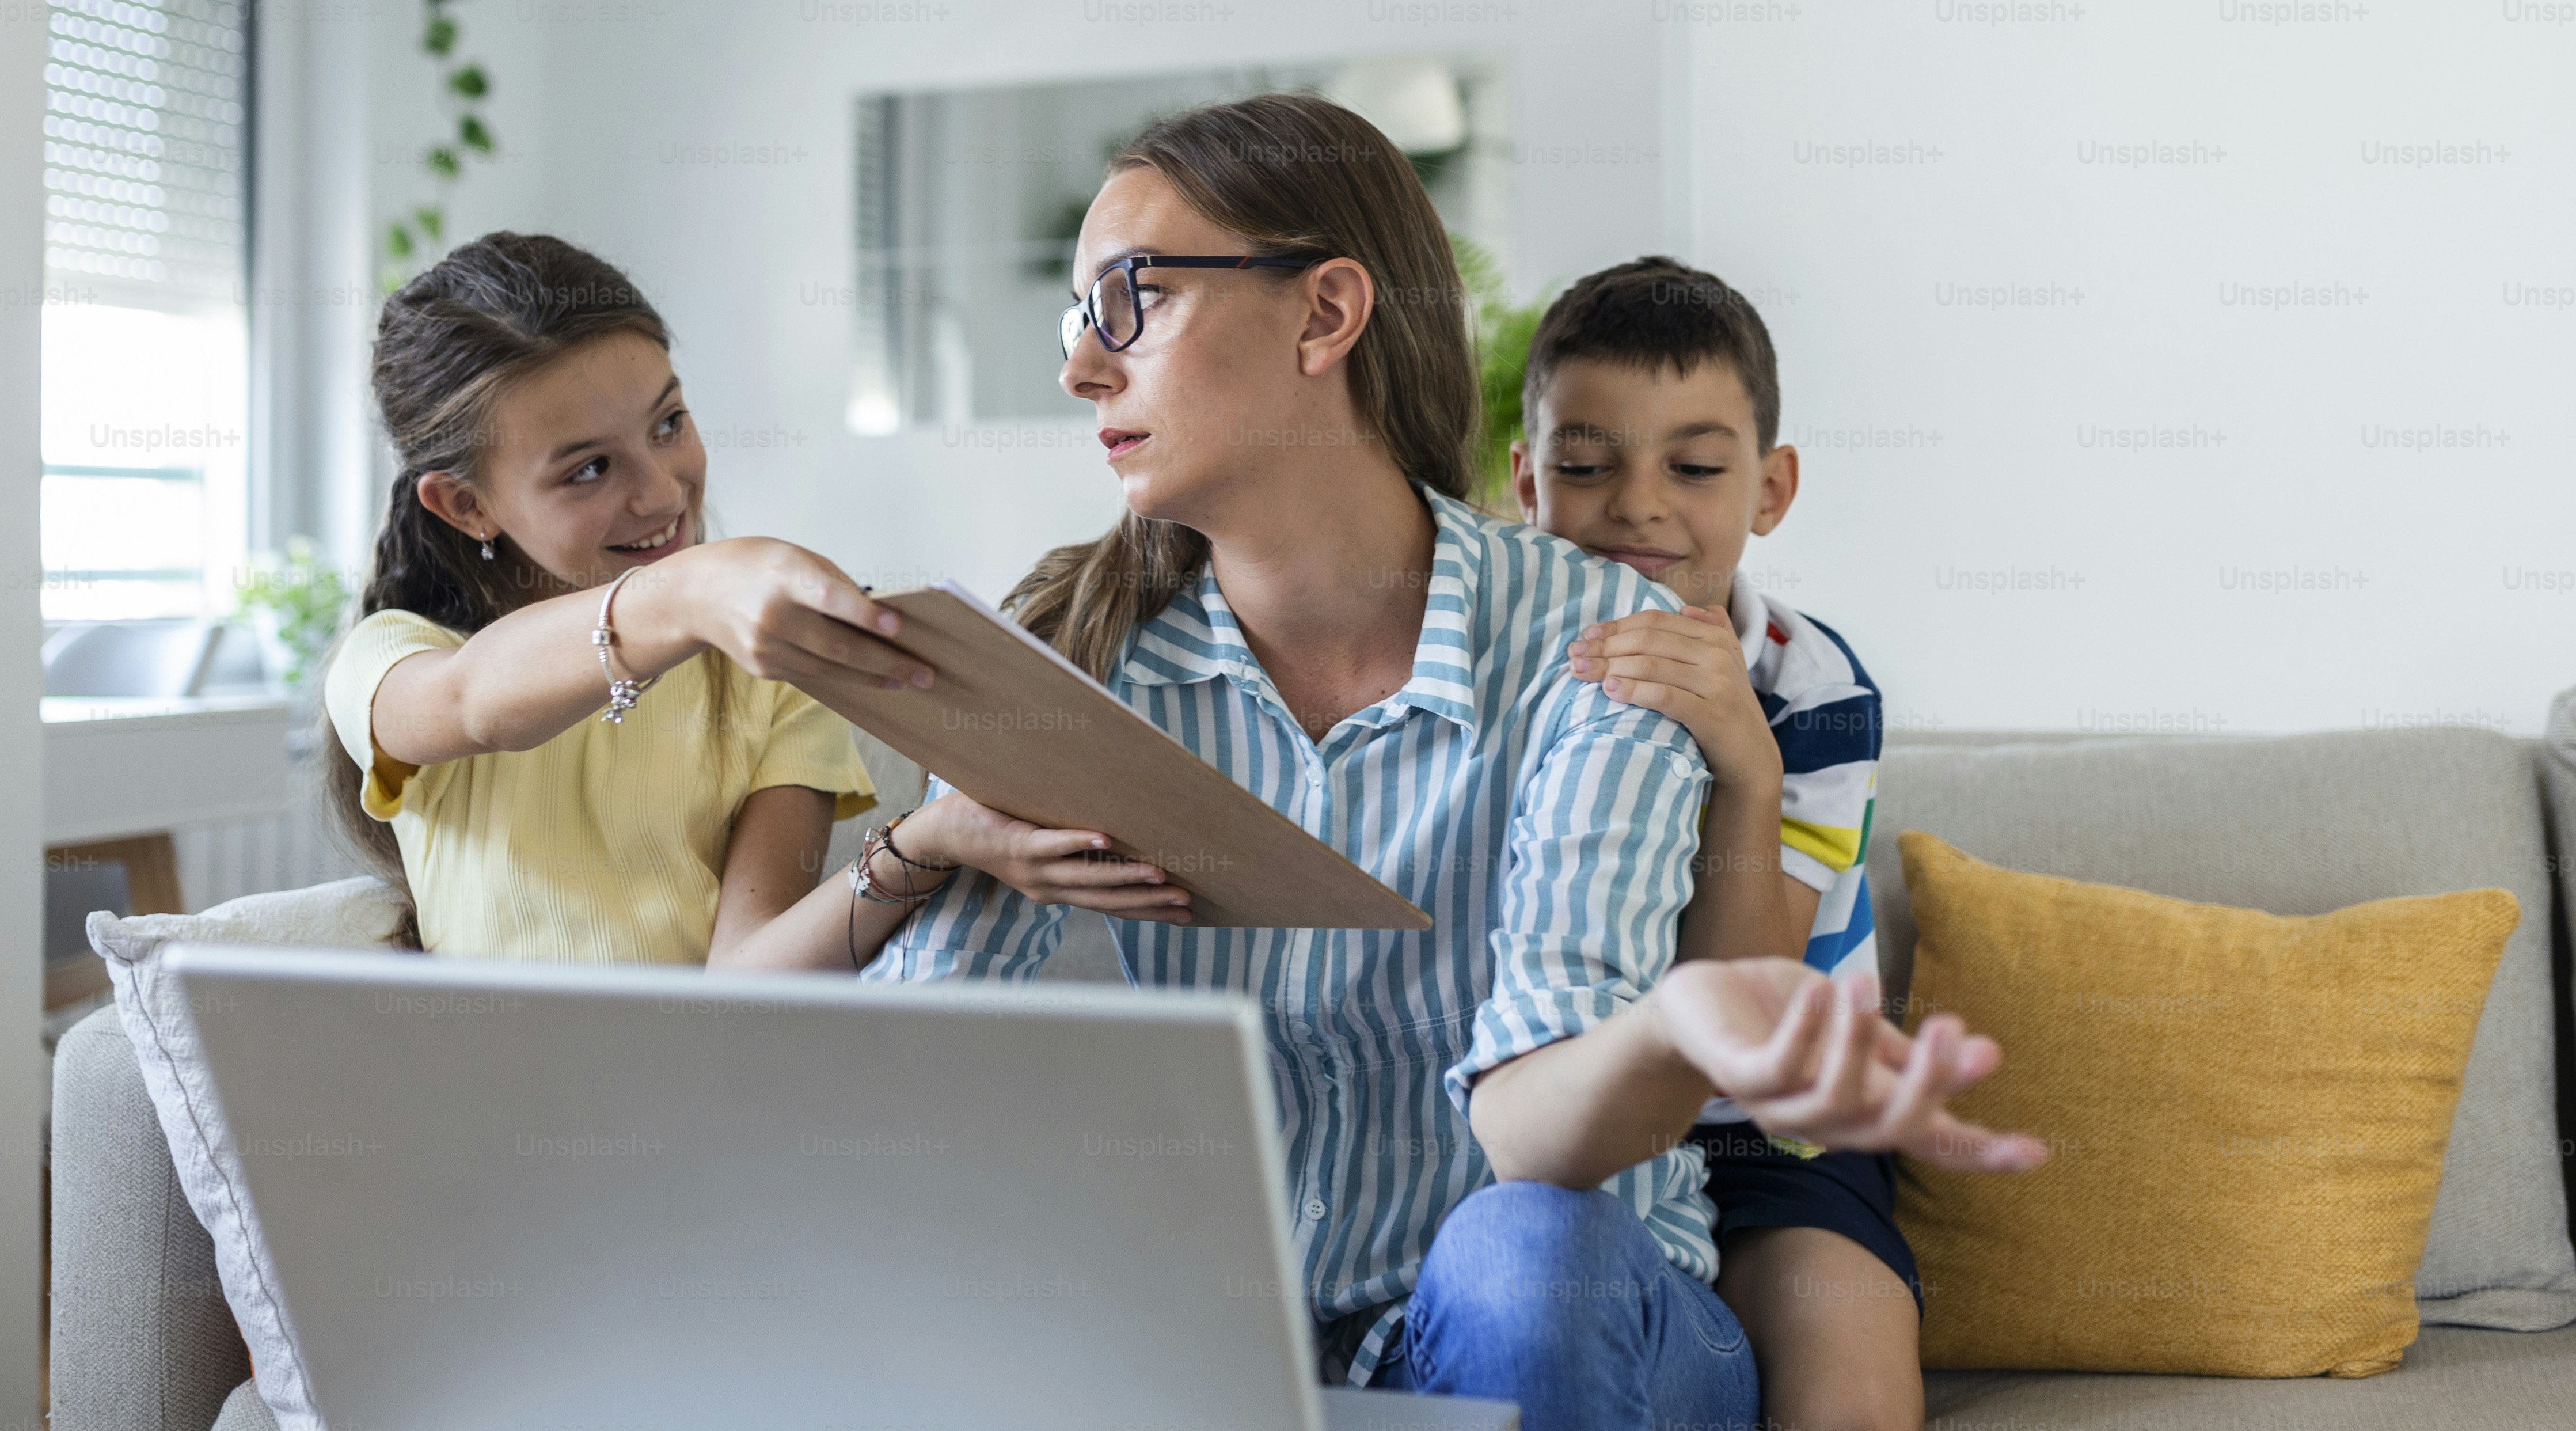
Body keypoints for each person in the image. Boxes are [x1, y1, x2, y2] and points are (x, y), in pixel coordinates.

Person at [863, 96, 2041, 1431]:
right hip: (1216, 1342)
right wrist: (919, 841)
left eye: (1133, 298)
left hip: (1562, 1314)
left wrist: (1671, 1024)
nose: (1085, 366)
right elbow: (908, 1105)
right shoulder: (1079, 658)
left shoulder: (1612, 645)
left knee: (1521, 1254)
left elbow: (1535, 1145)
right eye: (1080, 316)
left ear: (1326, 314)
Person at [318, 231, 1196, 970]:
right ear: (463, 504)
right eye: (588, 468)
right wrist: (691, 592)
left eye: (669, 424)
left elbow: (745, 981)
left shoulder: (766, 678)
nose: (661, 491)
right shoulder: (397, 660)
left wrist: (928, 841)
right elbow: (476, 703)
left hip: (700, 1113)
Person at [1522, 256, 1920, 1431]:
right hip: (1562, 1103)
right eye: (1586, 466)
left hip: (1776, 1133)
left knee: (1842, 1355)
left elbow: (1745, 1004)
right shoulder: (1499, 663)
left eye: (1694, 468)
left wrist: (1746, 760)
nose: (1640, 505)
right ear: (1526, 482)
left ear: (1770, 487)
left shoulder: (1815, 690)